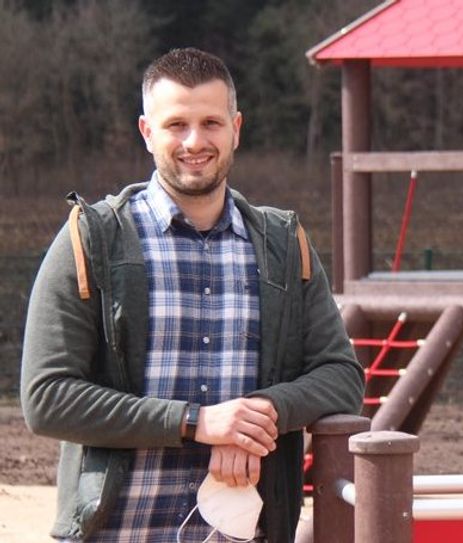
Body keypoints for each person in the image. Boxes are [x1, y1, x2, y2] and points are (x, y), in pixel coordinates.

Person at [20, 47, 364, 542]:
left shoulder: (285, 244)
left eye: (211, 123)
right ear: (147, 132)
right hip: (117, 533)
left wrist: (257, 415)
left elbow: (341, 376)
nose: (194, 141)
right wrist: (195, 422)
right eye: (176, 124)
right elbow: (46, 397)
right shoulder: (91, 239)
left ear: (237, 128)